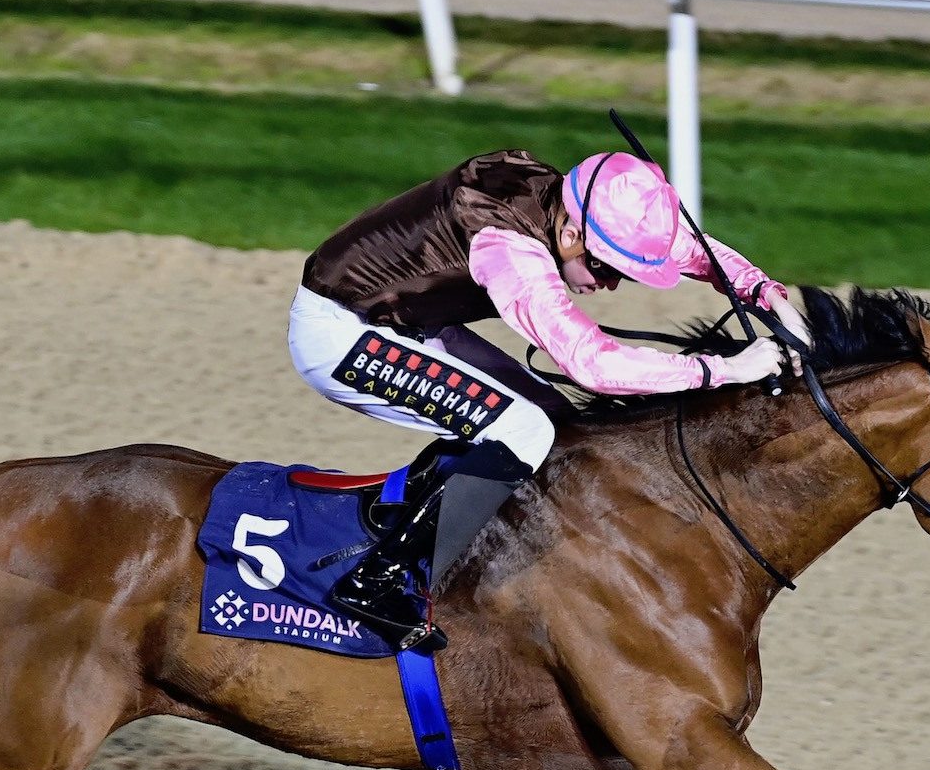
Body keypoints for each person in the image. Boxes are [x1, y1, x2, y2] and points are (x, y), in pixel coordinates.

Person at [290, 148, 808, 650]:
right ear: (571, 233)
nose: (610, 285)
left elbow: (691, 249)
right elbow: (592, 365)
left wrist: (766, 294)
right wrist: (724, 369)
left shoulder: (569, 203)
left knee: (556, 419)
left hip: (405, 324)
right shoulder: (509, 248)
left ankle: (429, 520)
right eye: (608, 269)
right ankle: (377, 582)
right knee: (523, 429)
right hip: (342, 335)